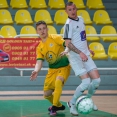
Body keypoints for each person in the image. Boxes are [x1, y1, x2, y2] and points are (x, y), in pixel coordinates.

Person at [61, 2, 101, 116]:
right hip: (75, 57)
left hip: (86, 54)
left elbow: (83, 36)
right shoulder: (68, 24)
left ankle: (88, 99)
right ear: (66, 11)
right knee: (86, 82)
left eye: (74, 9)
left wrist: (88, 49)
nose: (73, 11)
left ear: (76, 8)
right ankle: (72, 103)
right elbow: (67, 43)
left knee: (97, 81)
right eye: (70, 10)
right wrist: (80, 53)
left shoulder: (81, 19)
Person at [30, 21, 71, 116]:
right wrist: (36, 70)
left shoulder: (55, 38)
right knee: (47, 94)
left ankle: (54, 107)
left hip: (64, 67)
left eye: (44, 28)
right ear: (37, 32)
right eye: (39, 29)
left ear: (47, 29)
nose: (42, 31)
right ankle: (59, 105)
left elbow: (67, 44)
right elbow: (39, 61)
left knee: (58, 81)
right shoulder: (40, 47)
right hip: (52, 70)